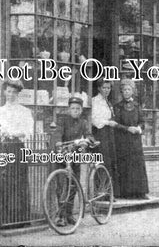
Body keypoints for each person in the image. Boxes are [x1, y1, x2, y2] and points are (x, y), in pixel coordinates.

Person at [0, 79, 34, 225]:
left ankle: (17, 220)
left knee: (17, 185)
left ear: (18, 94)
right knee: (1, 184)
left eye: (14, 92)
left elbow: (28, 132)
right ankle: (1, 220)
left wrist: (12, 133)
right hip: (1, 150)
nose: (11, 94)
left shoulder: (25, 112)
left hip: (17, 150)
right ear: (4, 92)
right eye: (8, 91)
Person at [53, 96, 95, 226]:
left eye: (78, 108)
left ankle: (69, 215)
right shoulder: (62, 120)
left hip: (75, 156)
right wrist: (58, 142)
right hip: (63, 155)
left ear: (81, 110)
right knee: (62, 187)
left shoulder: (83, 122)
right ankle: (61, 216)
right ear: (69, 109)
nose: (75, 111)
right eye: (73, 108)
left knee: (73, 186)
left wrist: (88, 140)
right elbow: (58, 133)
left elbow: (89, 134)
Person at [113, 79, 149, 199]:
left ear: (132, 91)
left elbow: (142, 122)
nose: (127, 92)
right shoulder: (118, 107)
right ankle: (126, 193)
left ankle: (140, 192)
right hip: (123, 141)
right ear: (121, 92)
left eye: (129, 89)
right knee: (125, 166)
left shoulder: (137, 106)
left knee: (137, 166)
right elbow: (116, 124)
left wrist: (139, 128)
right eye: (124, 90)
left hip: (135, 141)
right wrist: (127, 129)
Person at [91, 79, 119, 194]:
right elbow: (94, 120)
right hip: (100, 134)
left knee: (110, 162)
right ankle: (101, 192)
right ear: (99, 88)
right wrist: (108, 122)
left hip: (109, 133)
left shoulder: (107, 102)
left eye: (108, 88)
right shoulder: (95, 101)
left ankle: (108, 192)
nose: (107, 90)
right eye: (104, 88)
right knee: (102, 161)